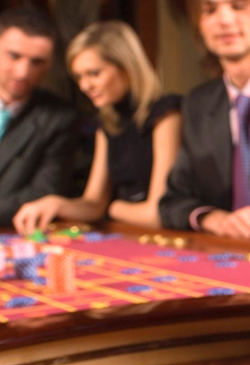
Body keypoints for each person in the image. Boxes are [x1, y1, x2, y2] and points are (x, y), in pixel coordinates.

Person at [13, 20, 181, 234]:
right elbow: (93, 203)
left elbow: (157, 214)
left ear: (127, 67)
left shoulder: (166, 114)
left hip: (166, 235)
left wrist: (112, 206)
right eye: (79, 77)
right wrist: (55, 203)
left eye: (94, 73)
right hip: (127, 232)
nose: (85, 86)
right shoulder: (107, 122)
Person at [159, 0, 250, 240]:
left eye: (239, 6)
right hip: (229, 257)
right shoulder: (197, 104)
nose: (224, 20)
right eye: (209, 10)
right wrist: (214, 219)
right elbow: (172, 202)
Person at [0, 6, 77, 226]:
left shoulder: (61, 117)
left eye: (37, 62)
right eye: (14, 56)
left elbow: (42, 194)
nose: (23, 72)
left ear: (50, 63)